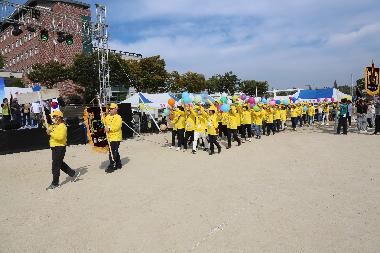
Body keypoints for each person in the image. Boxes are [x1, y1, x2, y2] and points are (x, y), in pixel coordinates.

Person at [45, 110, 80, 190]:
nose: (53, 118)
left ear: (59, 117)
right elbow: (47, 126)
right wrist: (44, 120)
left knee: (55, 165)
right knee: (60, 163)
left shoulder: (63, 126)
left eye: (54, 116)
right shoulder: (54, 125)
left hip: (60, 147)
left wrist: (50, 133)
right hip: (54, 147)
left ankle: (55, 183)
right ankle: (73, 174)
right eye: (52, 117)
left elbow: (60, 137)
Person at [104, 103, 123, 173]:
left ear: (116, 109)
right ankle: (119, 164)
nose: (110, 110)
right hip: (109, 137)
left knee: (112, 152)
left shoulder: (118, 117)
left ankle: (112, 166)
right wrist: (102, 116)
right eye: (110, 109)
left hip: (116, 137)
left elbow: (117, 127)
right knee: (115, 151)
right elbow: (104, 122)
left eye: (112, 109)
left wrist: (109, 128)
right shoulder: (107, 116)